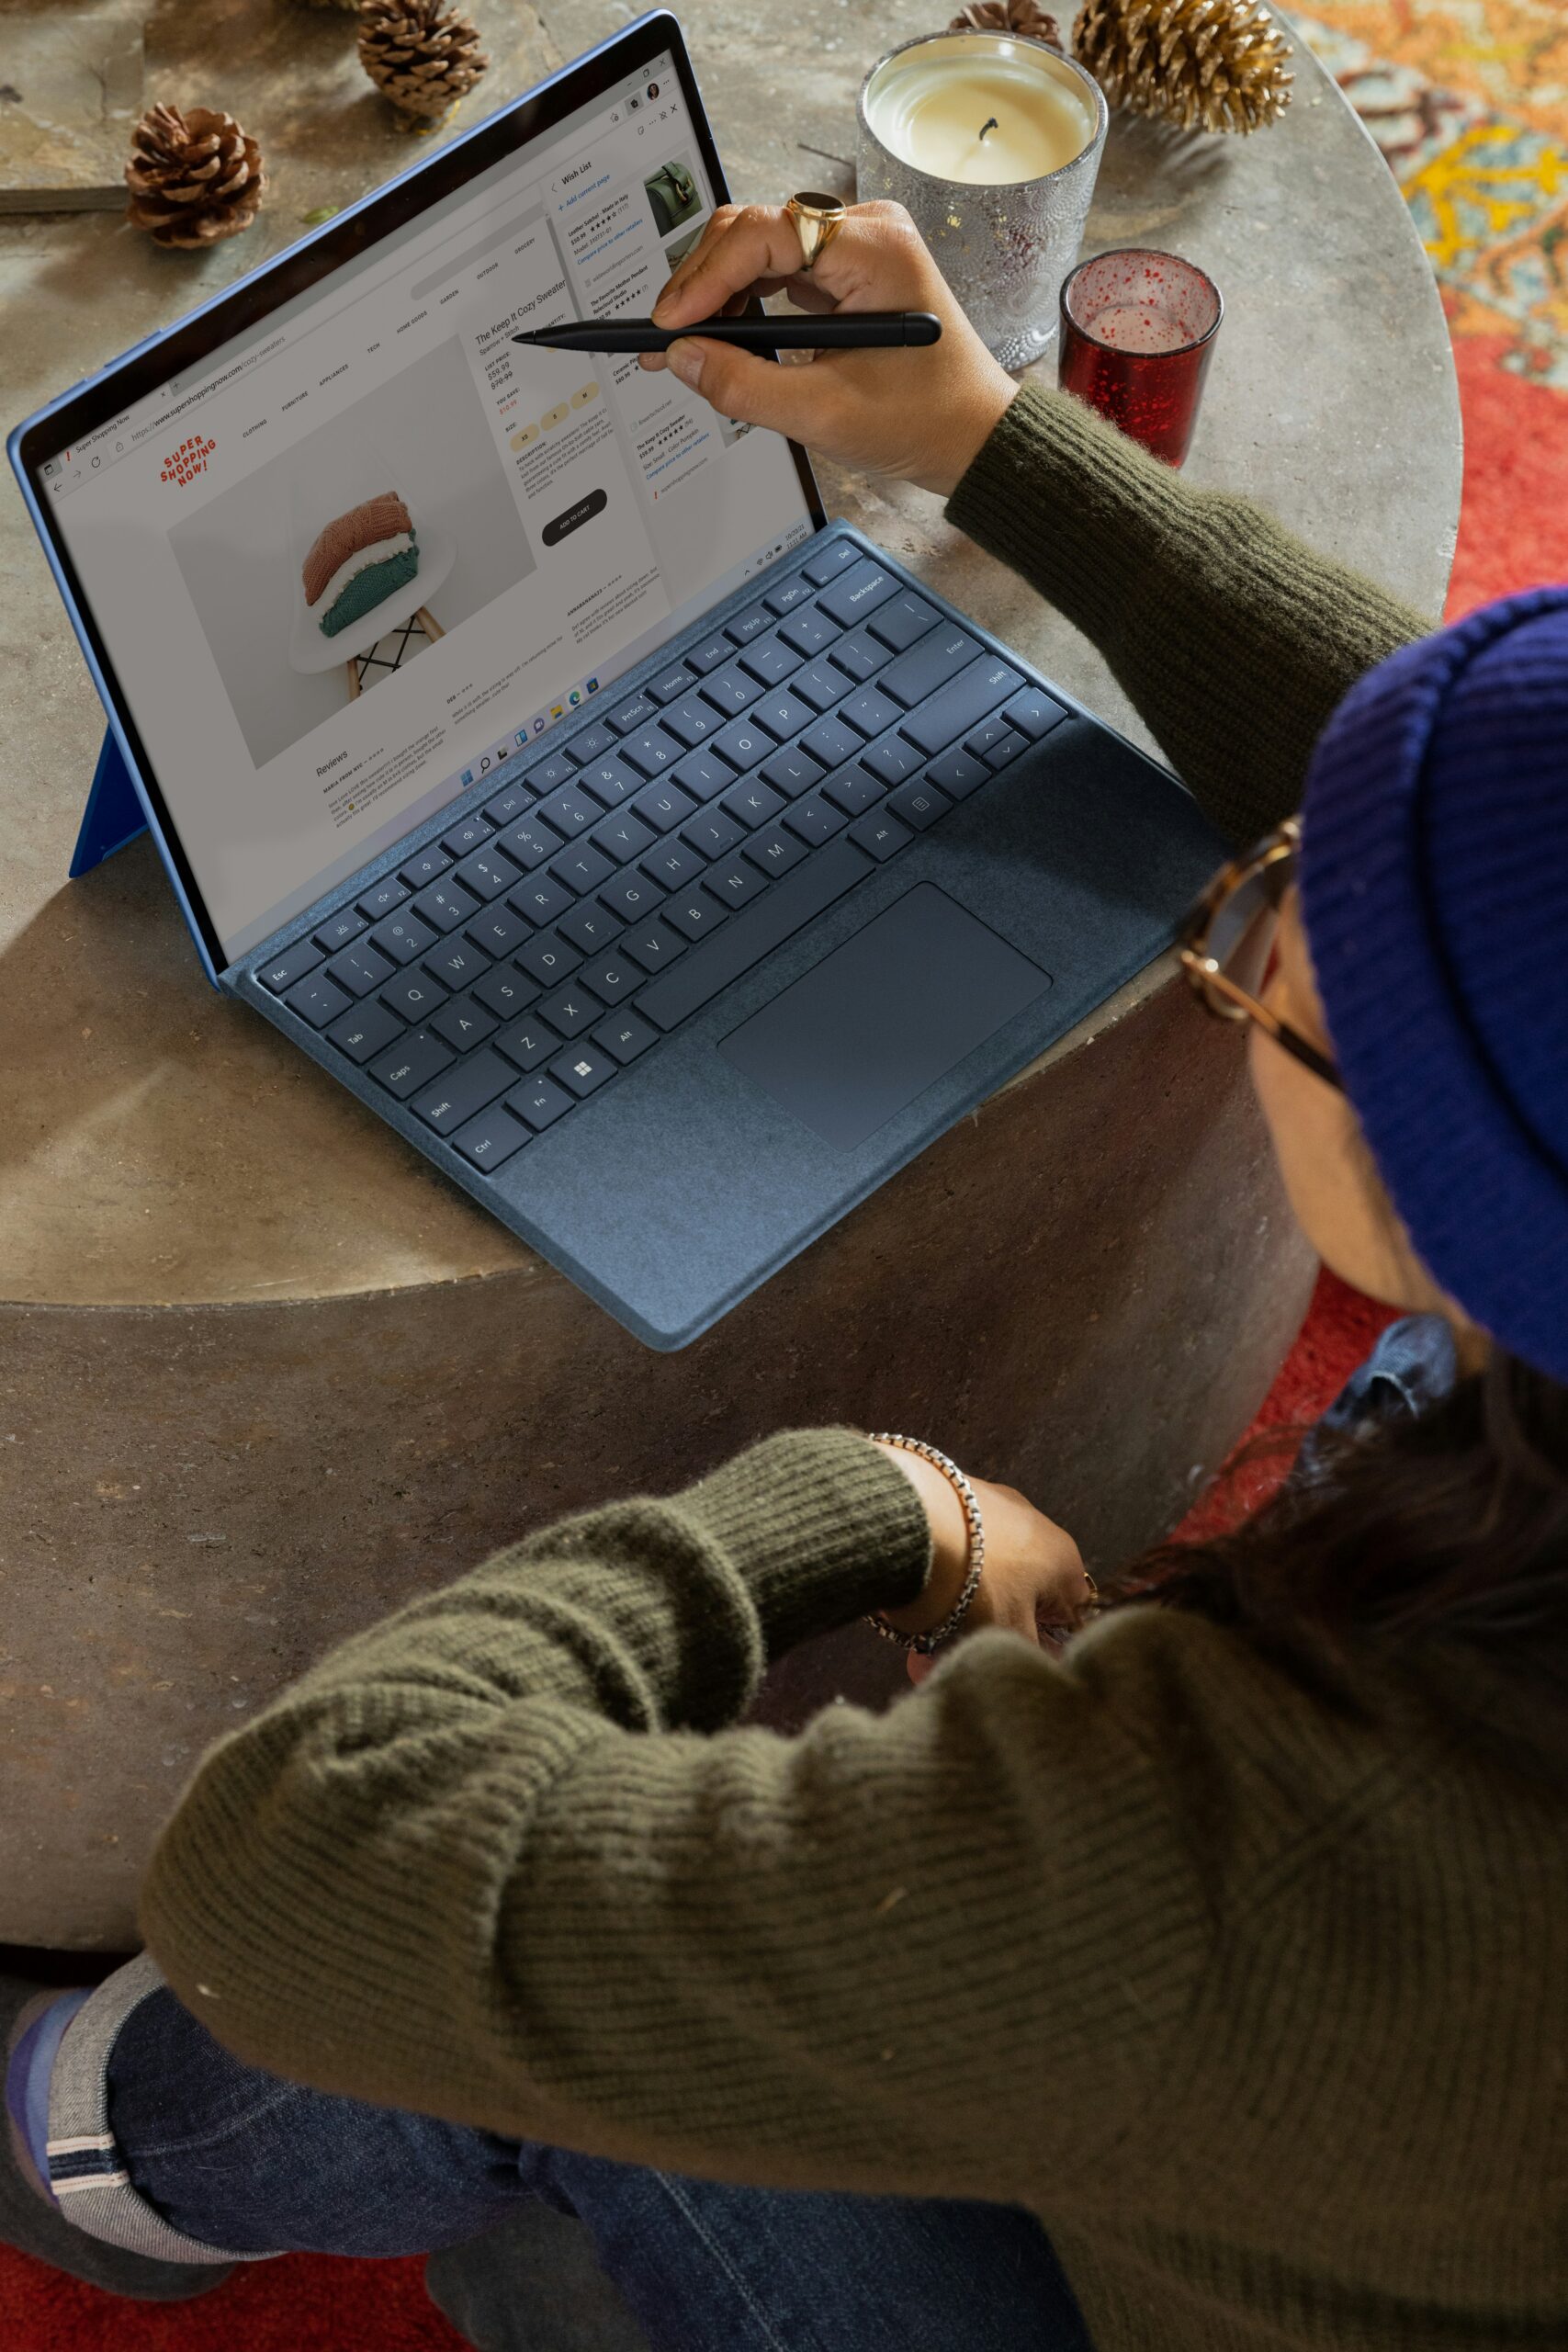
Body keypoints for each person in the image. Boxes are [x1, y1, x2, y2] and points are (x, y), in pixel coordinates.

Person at [5, 200, 1566, 2352]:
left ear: (1415, 1174)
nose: (1275, 902)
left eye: (1285, 951)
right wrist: (992, 437)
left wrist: (856, 1496)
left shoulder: (1258, 1847)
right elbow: (1477, 837)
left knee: (572, 2014)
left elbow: (295, 1871)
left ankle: (91, 2145)